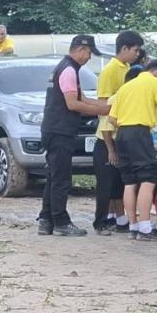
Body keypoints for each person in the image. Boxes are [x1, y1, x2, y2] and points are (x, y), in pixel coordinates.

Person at [38, 35, 111, 237]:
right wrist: (103, 112)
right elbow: (73, 104)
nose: (89, 58)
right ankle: (61, 221)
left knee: (53, 176)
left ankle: (46, 220)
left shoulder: (65, 68)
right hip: (60, 131)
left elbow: (82, 97)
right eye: (88, 53)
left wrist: (106, 106)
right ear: (79, 50)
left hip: (53, 129)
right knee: (61, 179)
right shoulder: (69, 70)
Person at [108, 58, 157, 242]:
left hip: (122, 134)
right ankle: (146, 228)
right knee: (148, 179)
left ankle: (133, 226)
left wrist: (128, 124)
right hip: (139, 133)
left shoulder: (126, 87)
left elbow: (112, 119)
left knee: (130, 181)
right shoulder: (155, 83)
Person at [93, 31, 144, 235]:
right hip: (107, 136)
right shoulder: (110, 71)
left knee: (118, 183)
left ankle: (120, 219)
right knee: (105, 185)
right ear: (124, 48)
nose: (137, 54)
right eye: (135, 50)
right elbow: (104, 106)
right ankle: (100, 221)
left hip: (121, 135)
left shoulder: (128, 69)